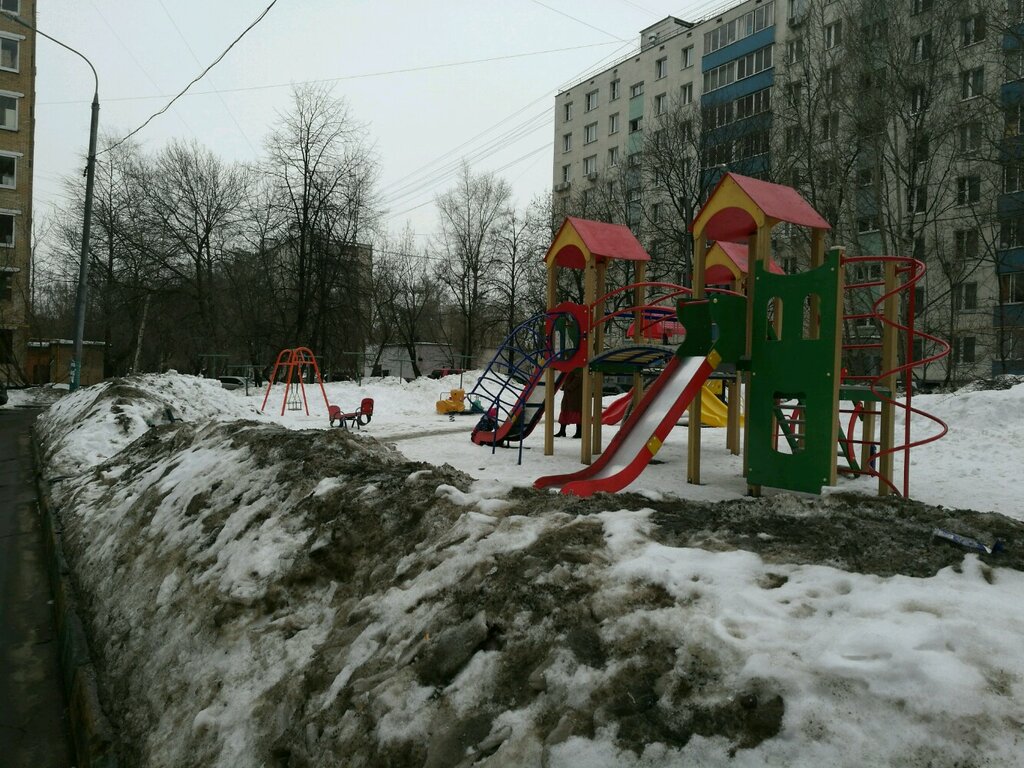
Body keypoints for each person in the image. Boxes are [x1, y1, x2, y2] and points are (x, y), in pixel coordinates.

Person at [555, 367, 583, 438]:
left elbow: (578, 378)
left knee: (576, 411)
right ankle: (562, 431)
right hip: (568, 393)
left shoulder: (578, 368)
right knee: (564, 410)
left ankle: (579, 432)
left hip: (575, 394)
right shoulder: (570, 367)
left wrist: (570, 387)